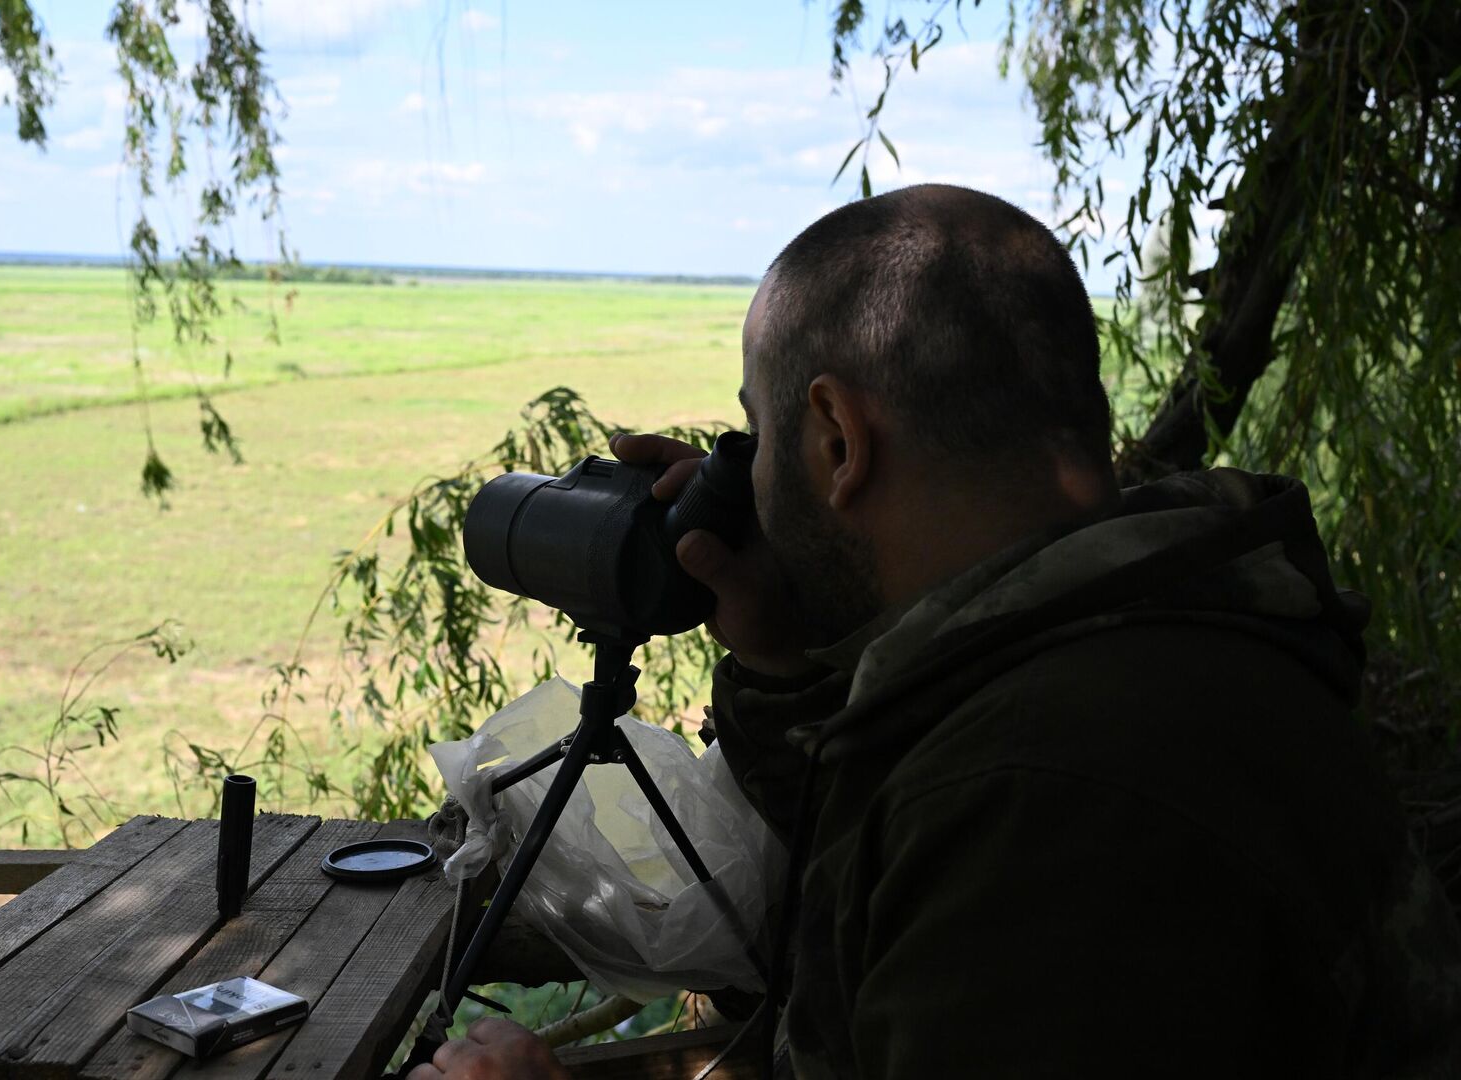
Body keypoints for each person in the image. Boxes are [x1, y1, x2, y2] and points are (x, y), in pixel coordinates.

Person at [411, 183, 1461, 1079]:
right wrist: (783, 656)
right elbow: (862, 914)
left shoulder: (1048, 799)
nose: (746, 477)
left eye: (763, 438)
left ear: (837, 438)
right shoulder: (1115, 648)